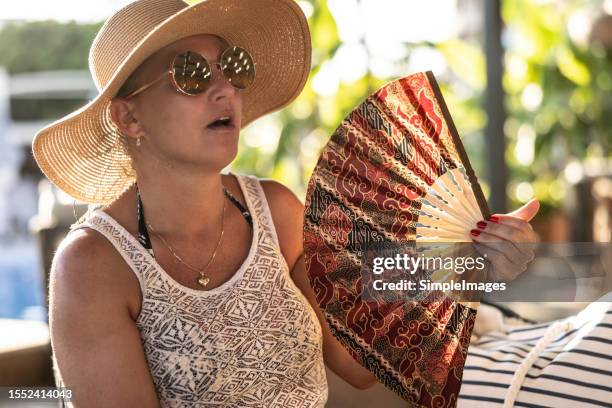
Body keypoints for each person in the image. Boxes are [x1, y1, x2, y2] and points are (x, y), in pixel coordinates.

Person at [32, 0, 539, 406]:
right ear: (129, 118)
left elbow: (358, 365)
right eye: (190, 73)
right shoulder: (92, 266)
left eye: (230, 67)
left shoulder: (275, 210)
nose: (224, 88)